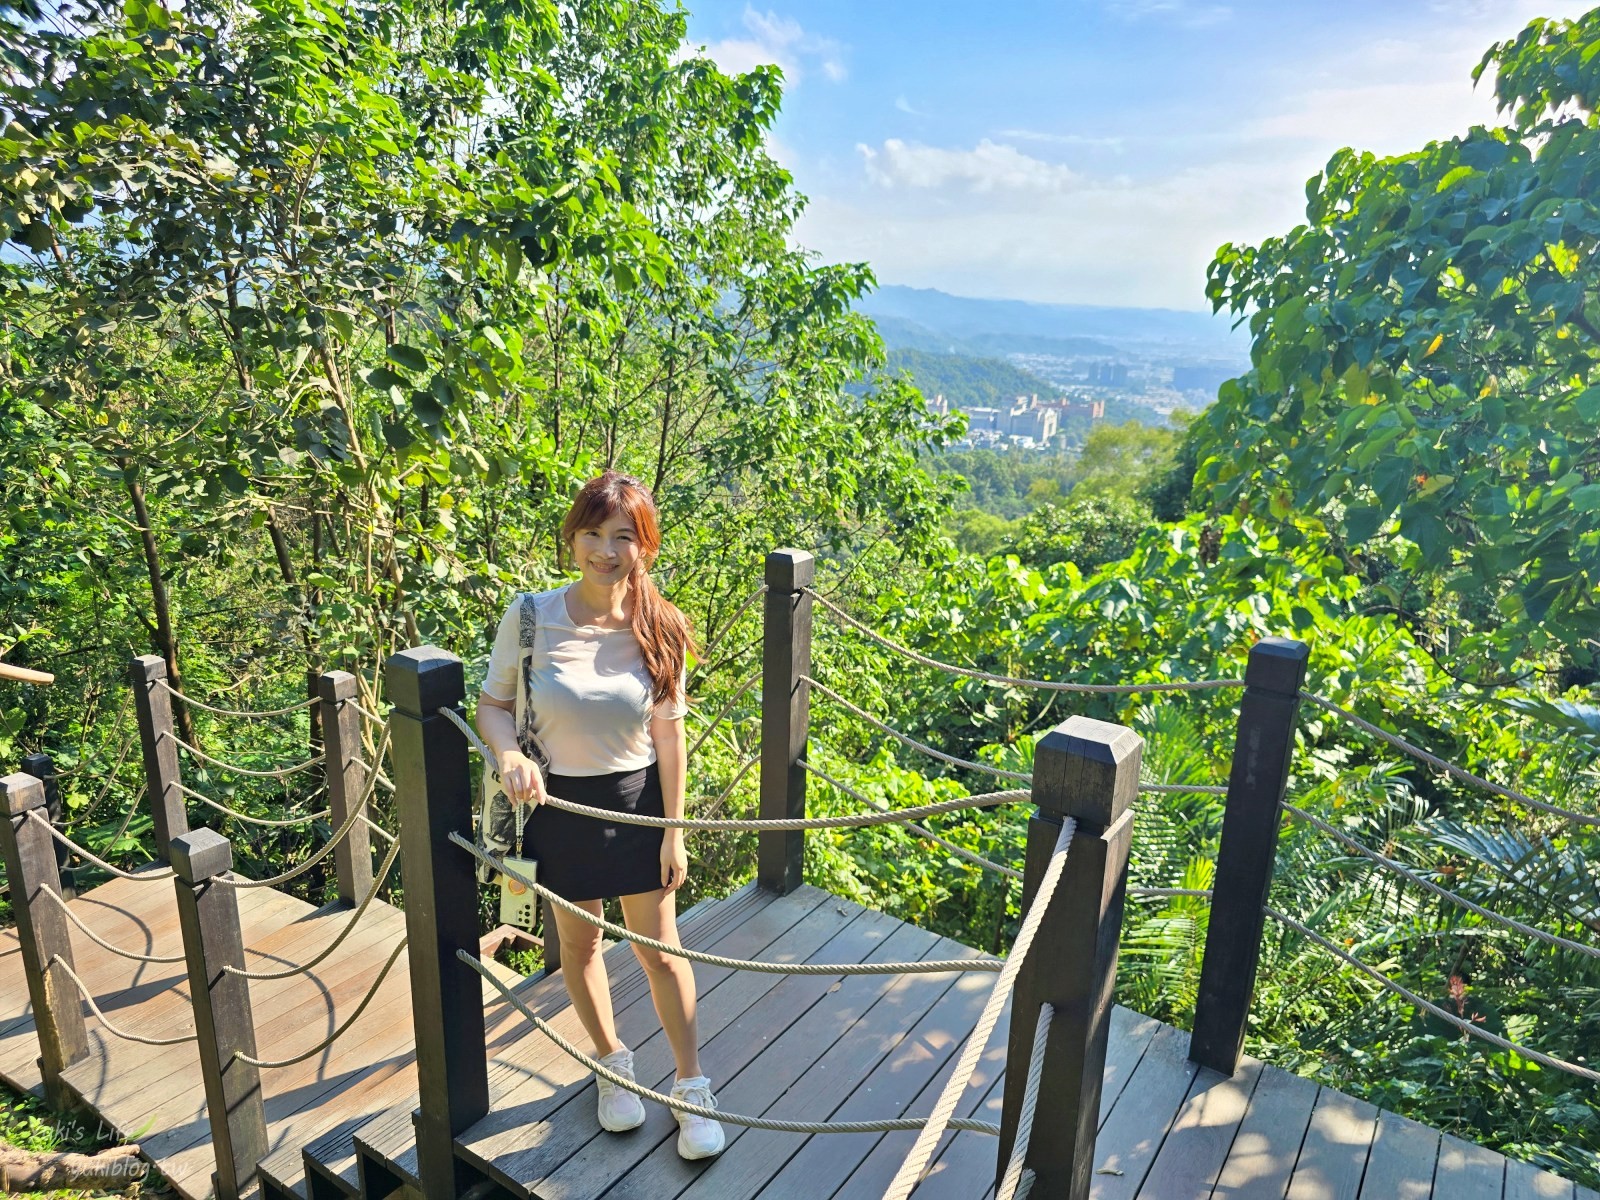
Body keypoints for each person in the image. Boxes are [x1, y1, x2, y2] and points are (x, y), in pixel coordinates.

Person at [475, 470, 725, 1161]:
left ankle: (691, 1083)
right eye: (592, 533)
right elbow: (492, 706)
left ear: (645, 545)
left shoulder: (660, 625)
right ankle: (612, 1064)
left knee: (658, 952)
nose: (605, 550)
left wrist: (675, 833)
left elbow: (669, 737)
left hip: (637, 805)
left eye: (623, 537)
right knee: (579, 947)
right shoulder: (530, 615)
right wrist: (508, 757)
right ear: (572, 538)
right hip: (555, 805)